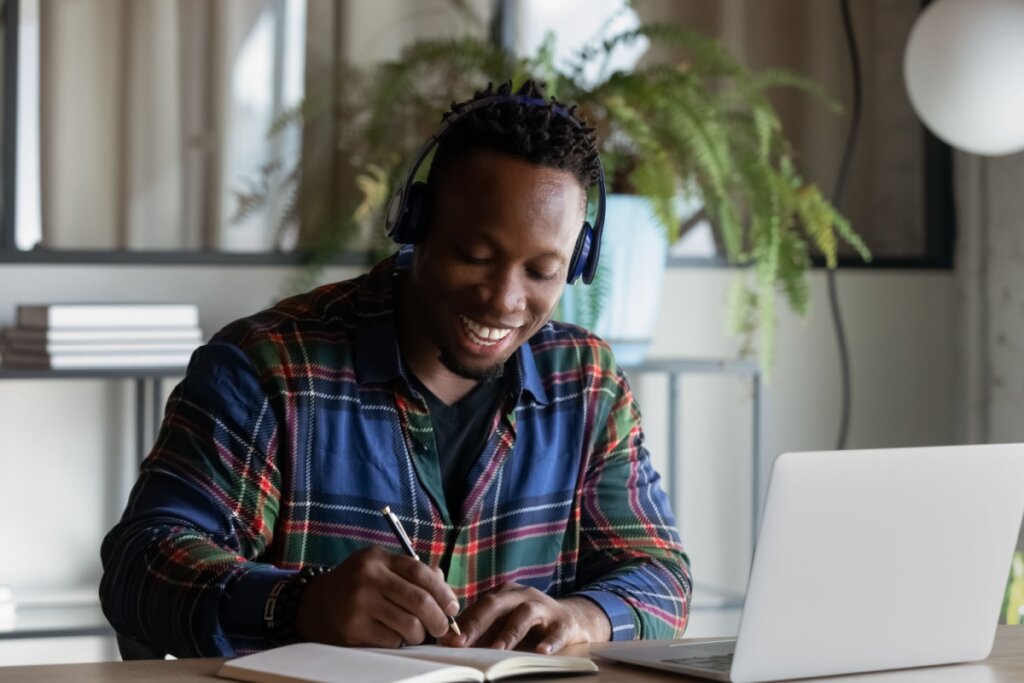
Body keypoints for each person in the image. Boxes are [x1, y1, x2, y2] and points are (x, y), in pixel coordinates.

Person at [100, 80, 691, 658]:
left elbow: (661, 577)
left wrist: (580, 618)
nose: (504, 301)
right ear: (416, 225)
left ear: (578, 263)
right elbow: (142, 566)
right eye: (475, 256)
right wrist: (296, 603)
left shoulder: (586, 382)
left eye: (542, 271)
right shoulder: (267, 369)